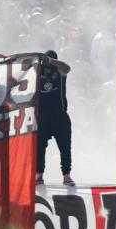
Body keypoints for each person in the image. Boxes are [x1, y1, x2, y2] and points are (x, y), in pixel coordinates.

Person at [35, 50, 75, 187]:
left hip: (59, 114)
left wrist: (50, 61)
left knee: (65, 147)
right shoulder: (37, 71)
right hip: (43, 115)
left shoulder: (60, 71)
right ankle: (39, 175)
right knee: (39, 147)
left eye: (51, 60)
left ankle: (66, 175)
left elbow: (67, 68)